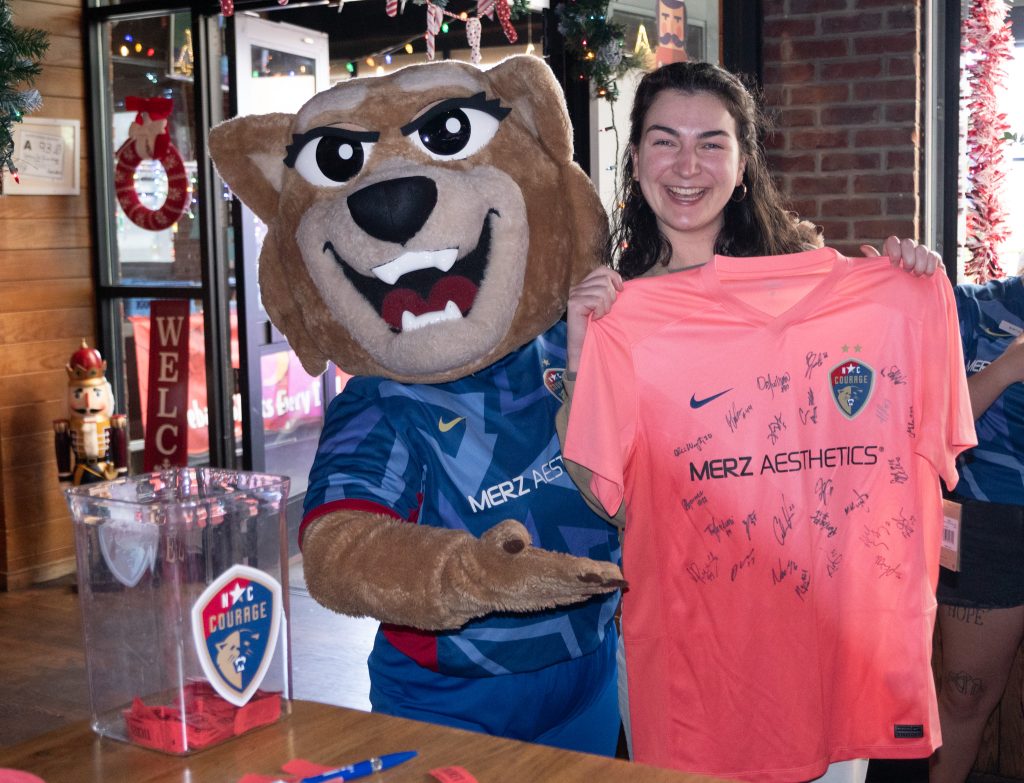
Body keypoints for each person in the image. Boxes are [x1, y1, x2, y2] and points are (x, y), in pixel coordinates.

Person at [558, 61, 974, 783]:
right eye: (665, 141)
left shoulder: (836, 285)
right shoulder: (623, 315)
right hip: (693, 652)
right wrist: (580, 350)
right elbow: (604, 497)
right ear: (635, 160)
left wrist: (912, 286)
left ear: (744, 162)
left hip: (825, 651)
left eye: (712, 143)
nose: (687, 166)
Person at [930, 275, 1024, 783]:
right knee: (964, 696)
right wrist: (1009, 368)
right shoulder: (971, 307)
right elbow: (928, 423)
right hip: (986, 523)